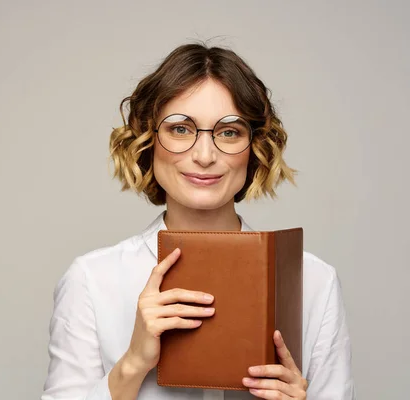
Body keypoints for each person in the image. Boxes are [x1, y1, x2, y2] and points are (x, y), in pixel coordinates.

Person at [41, 43, 355, 400]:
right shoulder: (91, 281)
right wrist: (132, 365)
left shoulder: (314, 282)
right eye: (180, 130)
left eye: (229, 132)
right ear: (148, 140)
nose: (204, 156)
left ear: (255, 148)